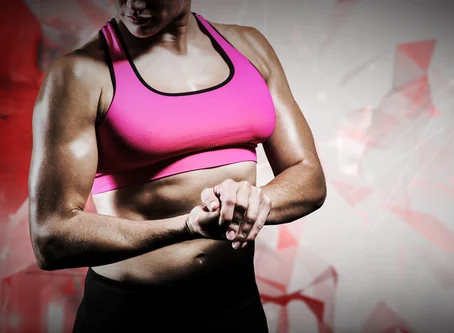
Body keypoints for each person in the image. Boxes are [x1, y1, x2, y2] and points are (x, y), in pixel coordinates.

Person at [27, 1, 327, 332]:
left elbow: (308, 178)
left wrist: (253, 202)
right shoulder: (79, 74)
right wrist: (186, 227)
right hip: (130, 315)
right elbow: (51, 236)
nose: (135, 3)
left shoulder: (249, 48)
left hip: (236, 306)